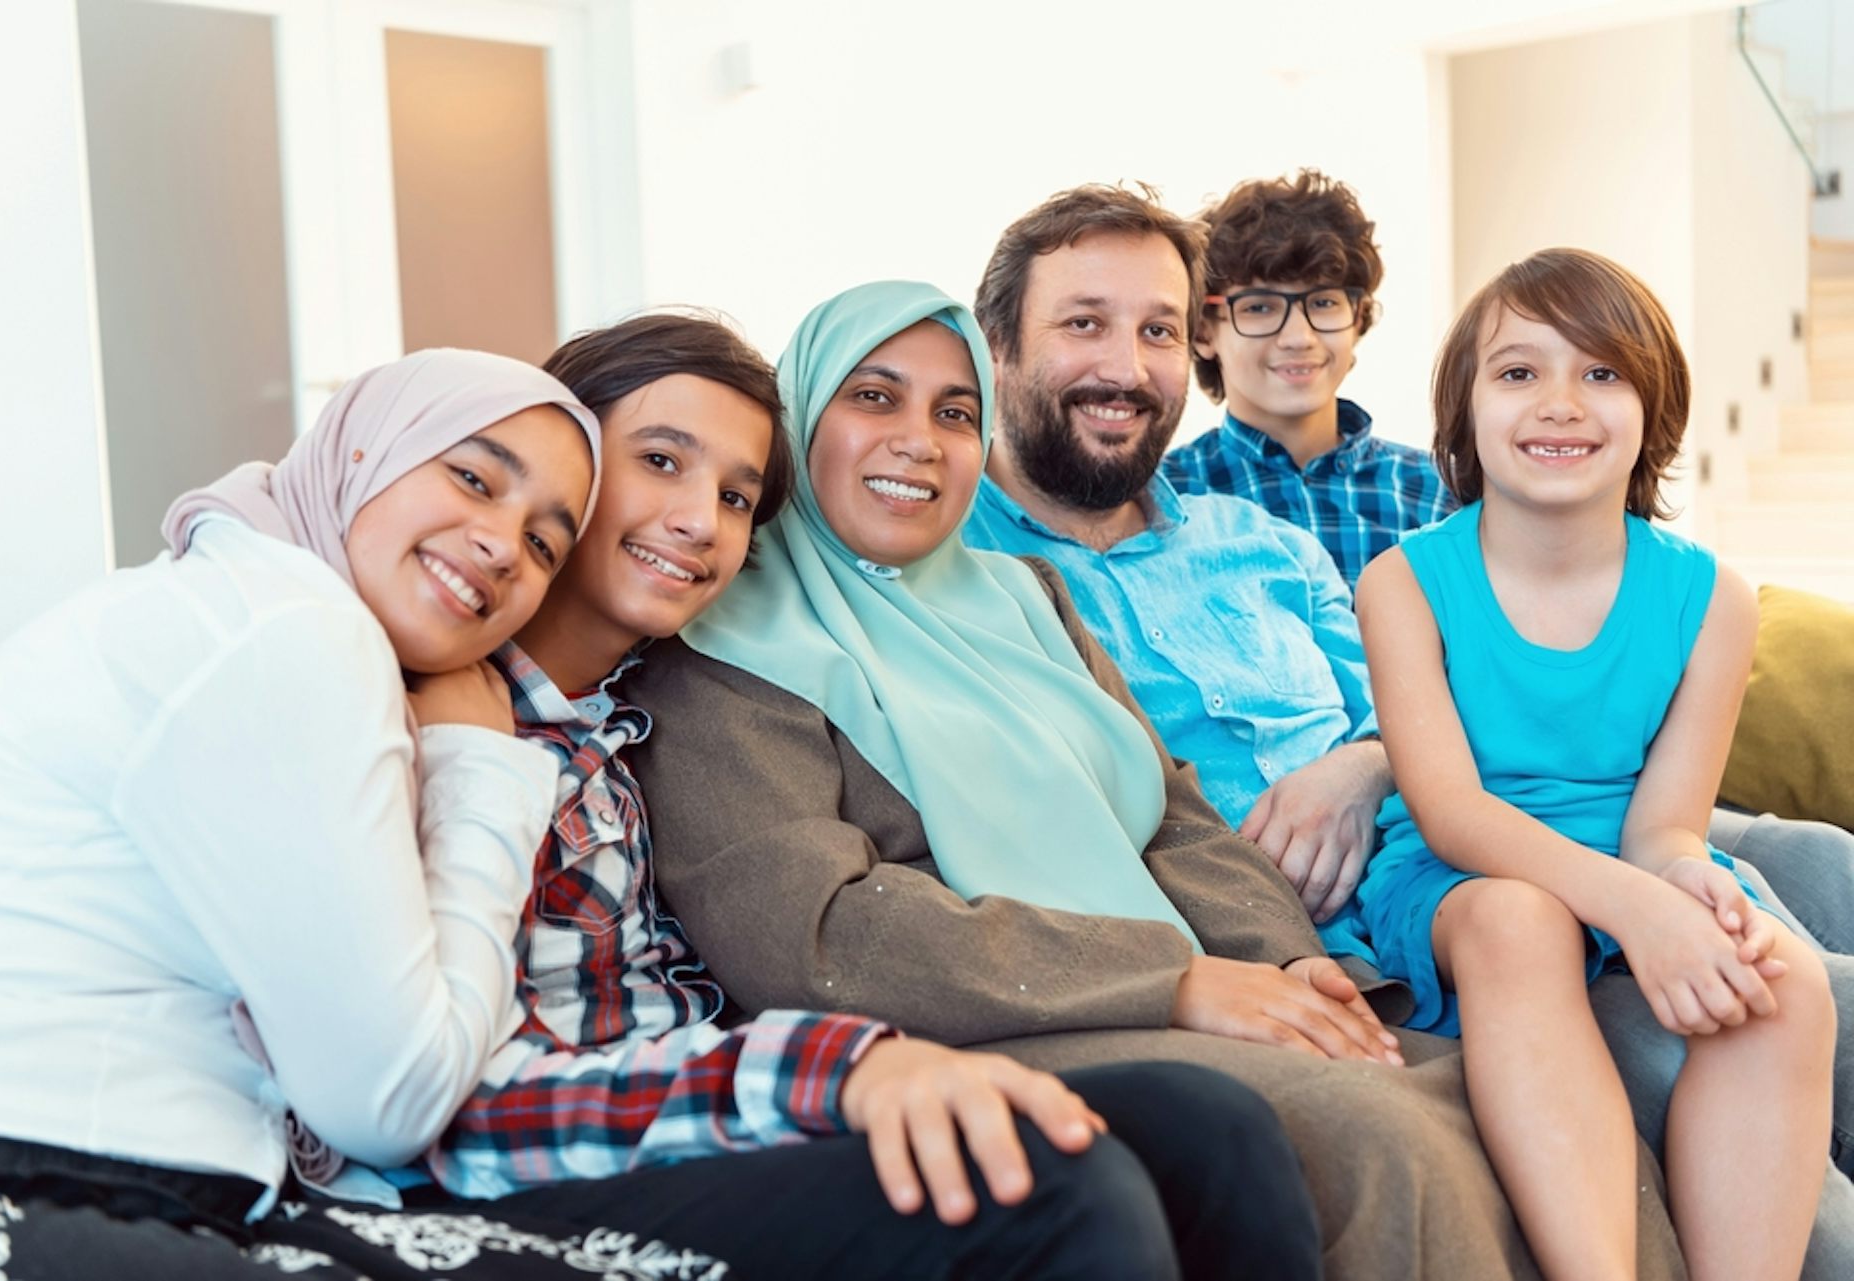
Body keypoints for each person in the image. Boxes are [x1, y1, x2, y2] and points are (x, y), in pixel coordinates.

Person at [623, 279, 1676, 1281]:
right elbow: (813, 937)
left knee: (1503, 1097)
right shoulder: (722, 647)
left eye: (954, 411)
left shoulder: (1018, 596)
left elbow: (1168, 816)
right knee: (1378, 1133)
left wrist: (1287, 961)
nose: (917, 438)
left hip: (1173, 990)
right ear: (799, 420)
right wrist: (1170, 979)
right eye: (873, 396)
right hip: (988, 1024)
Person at [958, 181, 1854, 1278]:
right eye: (1083, 322)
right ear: (993, 346)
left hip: (1485, 809)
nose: (1129, 361)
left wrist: (1362, 763)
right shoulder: (972, 576)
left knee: (1801, 909)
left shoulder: (1260, 541)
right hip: (1422, 878)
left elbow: (1406, 713)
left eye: (1153, 327)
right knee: (1748, 1010)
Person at [422, 310, 1325, 1281]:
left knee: (1211, 1131)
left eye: (735, 496)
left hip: (732, 1100)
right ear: (574, 463)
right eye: (661, 461)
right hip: (584, 1158)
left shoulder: (631, 711)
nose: (699, 521)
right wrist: (838, 1072)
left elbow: (1170, 809)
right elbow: (431, 1091)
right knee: (1063, 1185)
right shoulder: (457, 719)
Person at [0, 349, 680, 1278]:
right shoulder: (296, 629)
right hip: (20, 1182)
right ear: (363, 453)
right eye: (473, 477)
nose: (499, 543)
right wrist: (483, 771)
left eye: (542, 544)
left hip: (94, 1168)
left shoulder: (251, 595)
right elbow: (391, 1100)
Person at [1355, 248, 1835, 1281]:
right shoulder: (1403, 582)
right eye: (1519, 372)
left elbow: (1667, 824)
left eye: (1601, 372)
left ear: (1652, 406)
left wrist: (1680, 883)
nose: (1559, 404)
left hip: (1632, 860)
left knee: (1786, 986)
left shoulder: (1715, 598)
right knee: (1516, 920)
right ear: (1466, 410)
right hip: (1463, 874)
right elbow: (1449, 812)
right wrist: (1636, 907)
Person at [1161, 169, 1454, 591]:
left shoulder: (1438, 494)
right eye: (1259, 307)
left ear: (1359, 317)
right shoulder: (1166, 500)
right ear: (1205, 331)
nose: (1299, 337)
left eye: (1324, 302)